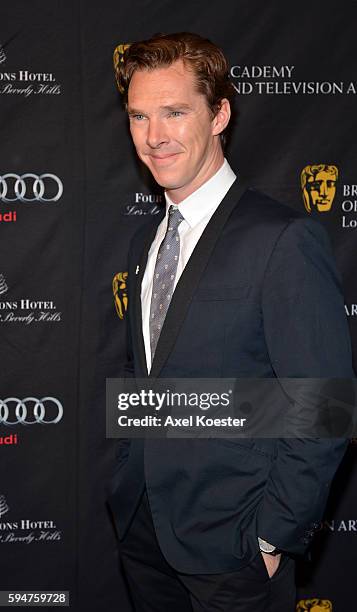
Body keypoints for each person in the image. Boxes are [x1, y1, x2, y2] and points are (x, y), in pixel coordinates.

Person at [108, 32, 354, 612]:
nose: (154, 136)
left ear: (219, 114)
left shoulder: (282, 240)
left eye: (175, 112)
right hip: (143, 535)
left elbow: (326, 406)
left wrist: (271, 538)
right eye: (139, 116)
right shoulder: (145, 243)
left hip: (235, 550)